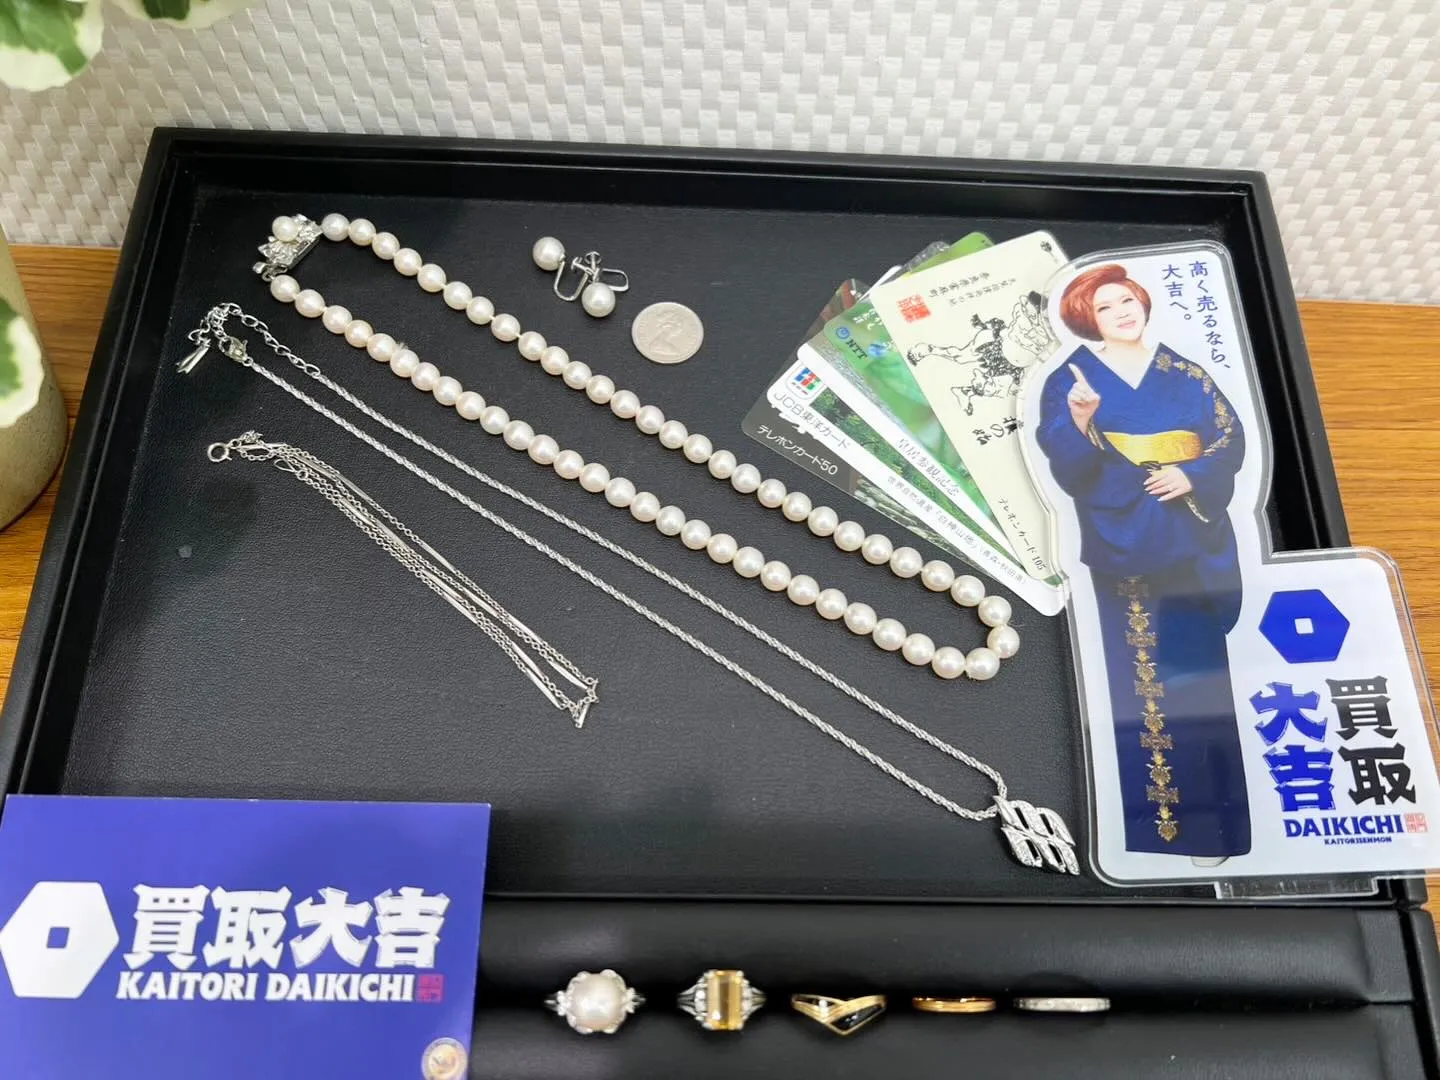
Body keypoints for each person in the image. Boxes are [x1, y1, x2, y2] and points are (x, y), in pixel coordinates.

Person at [1036, 263, 1250, 858]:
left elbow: (1229, 439)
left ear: (1143, 302)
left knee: (1202, 679)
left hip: (1189, 529)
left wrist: (1192, 473)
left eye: (1126, 300)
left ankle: (1221, 827)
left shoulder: (1185, 373)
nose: (1121, 313)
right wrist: (1080, 421)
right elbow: (1065, 462)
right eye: (1104, 307)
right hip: (1124, 534)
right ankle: (1168, 831)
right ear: (1086, 318)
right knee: (1142, 680)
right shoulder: (1070, 377)